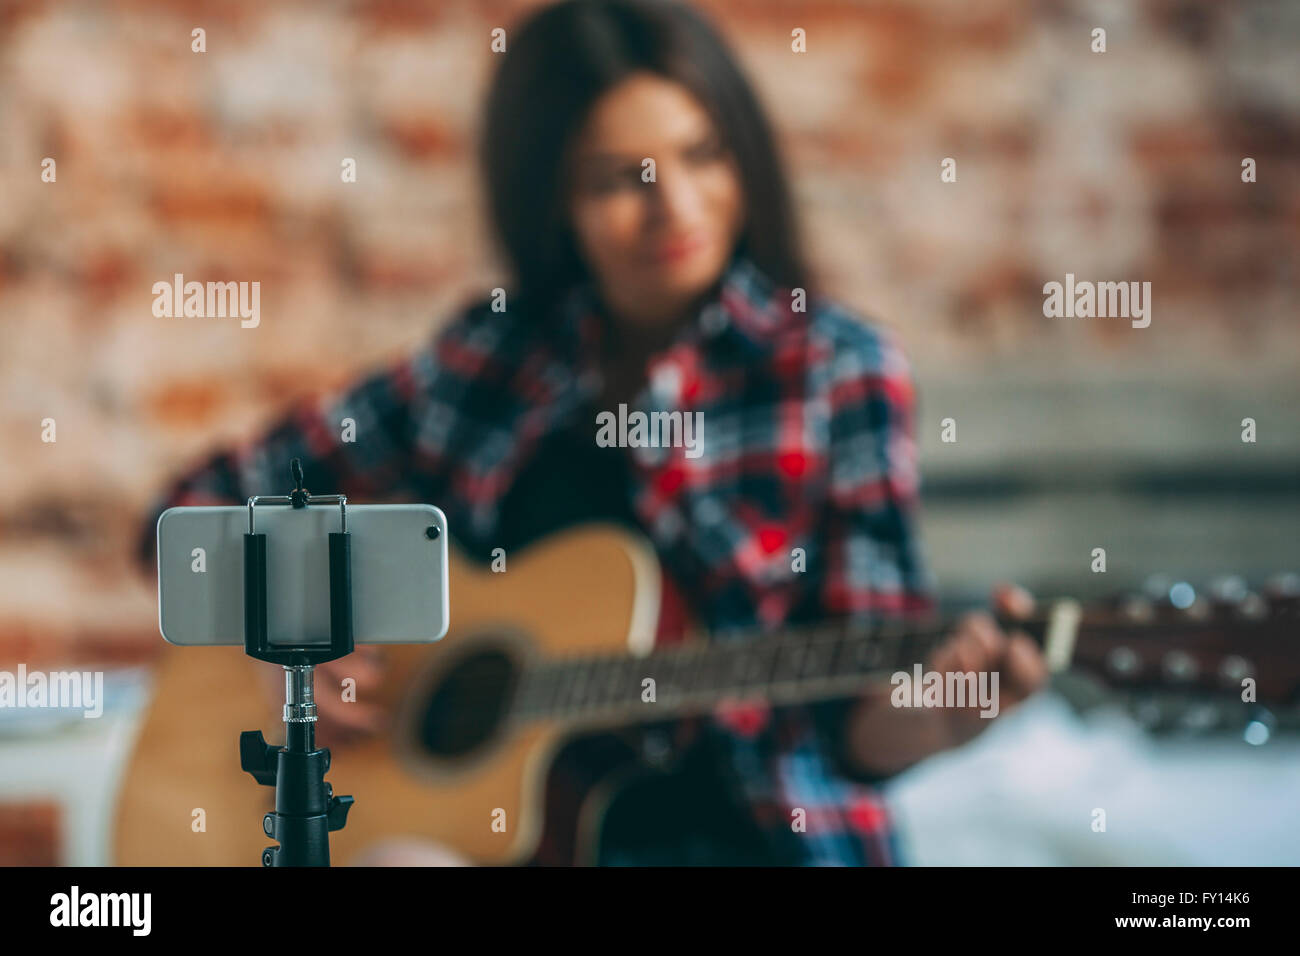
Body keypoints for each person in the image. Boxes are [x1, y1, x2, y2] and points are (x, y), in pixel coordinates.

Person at [134, 0, 1047, 865]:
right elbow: (191, 515)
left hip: (751, 833)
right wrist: (285, 637)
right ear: (552, 201)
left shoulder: (838, 369)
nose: (678, 208)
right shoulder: (488, 360)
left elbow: (860, 716)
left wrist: (938, 715)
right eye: (623, 180)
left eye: (705, 155)